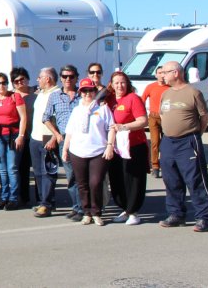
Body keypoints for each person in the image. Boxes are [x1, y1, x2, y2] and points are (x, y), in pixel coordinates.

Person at [156, 60, 208, 232]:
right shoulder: (166, 94)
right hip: (168, 141)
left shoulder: (193, 92)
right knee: (171, 179)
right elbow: (162, 114)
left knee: (195, 179)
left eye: (165, 72)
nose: (162, 75)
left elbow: (204, 117)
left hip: (187, 141)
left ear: (176, 73)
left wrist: (195, 135)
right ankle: (176, 214)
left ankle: (203, 217)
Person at [62, 77, 115, 226]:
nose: (87, 94)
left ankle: (96, 212)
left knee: (96, 182)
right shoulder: (77, 110)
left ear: (94, 91)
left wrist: (110, 145)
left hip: (98, 150)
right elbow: (70, 132)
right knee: (82, 183)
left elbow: (111, 127)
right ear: (80, 93)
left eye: (90, 90)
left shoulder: (103, 109)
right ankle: (86, 212)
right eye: (84, 91)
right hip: (78, 150)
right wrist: (65, 149)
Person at [106, 71, 149, 226]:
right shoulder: (109, 100)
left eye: (123, 82)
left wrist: (123, 127)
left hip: (134, 146)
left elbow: (143, 121)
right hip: (115, 148)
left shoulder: (133, 99)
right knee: (117, 179)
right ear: (111, 84)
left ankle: (134, 212)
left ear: (128, 83)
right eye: (116, 83)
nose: (120, 86)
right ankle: (125, 208)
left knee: (133, 180)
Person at [44, 65, 83, 220]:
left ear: (76, 78)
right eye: (65, 76)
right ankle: (76, 207)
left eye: (71, 76)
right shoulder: (55, 96)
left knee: (82, 175)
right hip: (64, 140)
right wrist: (56, 135)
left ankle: (84, 208)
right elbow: (45, 117)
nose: (68, 79)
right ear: (60, 78)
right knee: (71, 175)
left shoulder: (83, 94)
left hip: (82, 139)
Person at [0, 71, 28, 210]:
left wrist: (21, 136)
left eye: (4, 83)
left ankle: (14, 198)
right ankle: (3, 197)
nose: (1, 86)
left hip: (13, 135)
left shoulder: (15, 97)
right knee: (2, 169)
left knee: (12, 168)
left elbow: (23, 117)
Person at [28, 67, 60, 217]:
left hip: (48, 137)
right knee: (38, 172)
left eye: (39, 77)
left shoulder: (57, 94)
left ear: (48, 79)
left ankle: (46, 204)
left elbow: (59, 119)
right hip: (35, 137)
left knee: (48, 171)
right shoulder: (41, 92)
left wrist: (54, 137)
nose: (37, 80)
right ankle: (44, 201)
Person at [141, 65, 171, 179]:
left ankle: (166, 165)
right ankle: (155, 166)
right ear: (156, 75)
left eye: (164, 73)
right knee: (155, 142)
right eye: (159, 73)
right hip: (153, 117)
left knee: (166, 143)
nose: (162, 75)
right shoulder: (150, 87)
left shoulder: (169, 87)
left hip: (166, 117)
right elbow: (142, 100)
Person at [10, 68, 34, 207]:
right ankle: (23, 197)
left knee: (39, 169)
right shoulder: (12, 96)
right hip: (20, 136)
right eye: (16, 81)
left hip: (35, 134)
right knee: (21, 168)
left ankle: (42, 198)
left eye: (22, 79)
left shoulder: (36, 93)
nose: (20, 82)